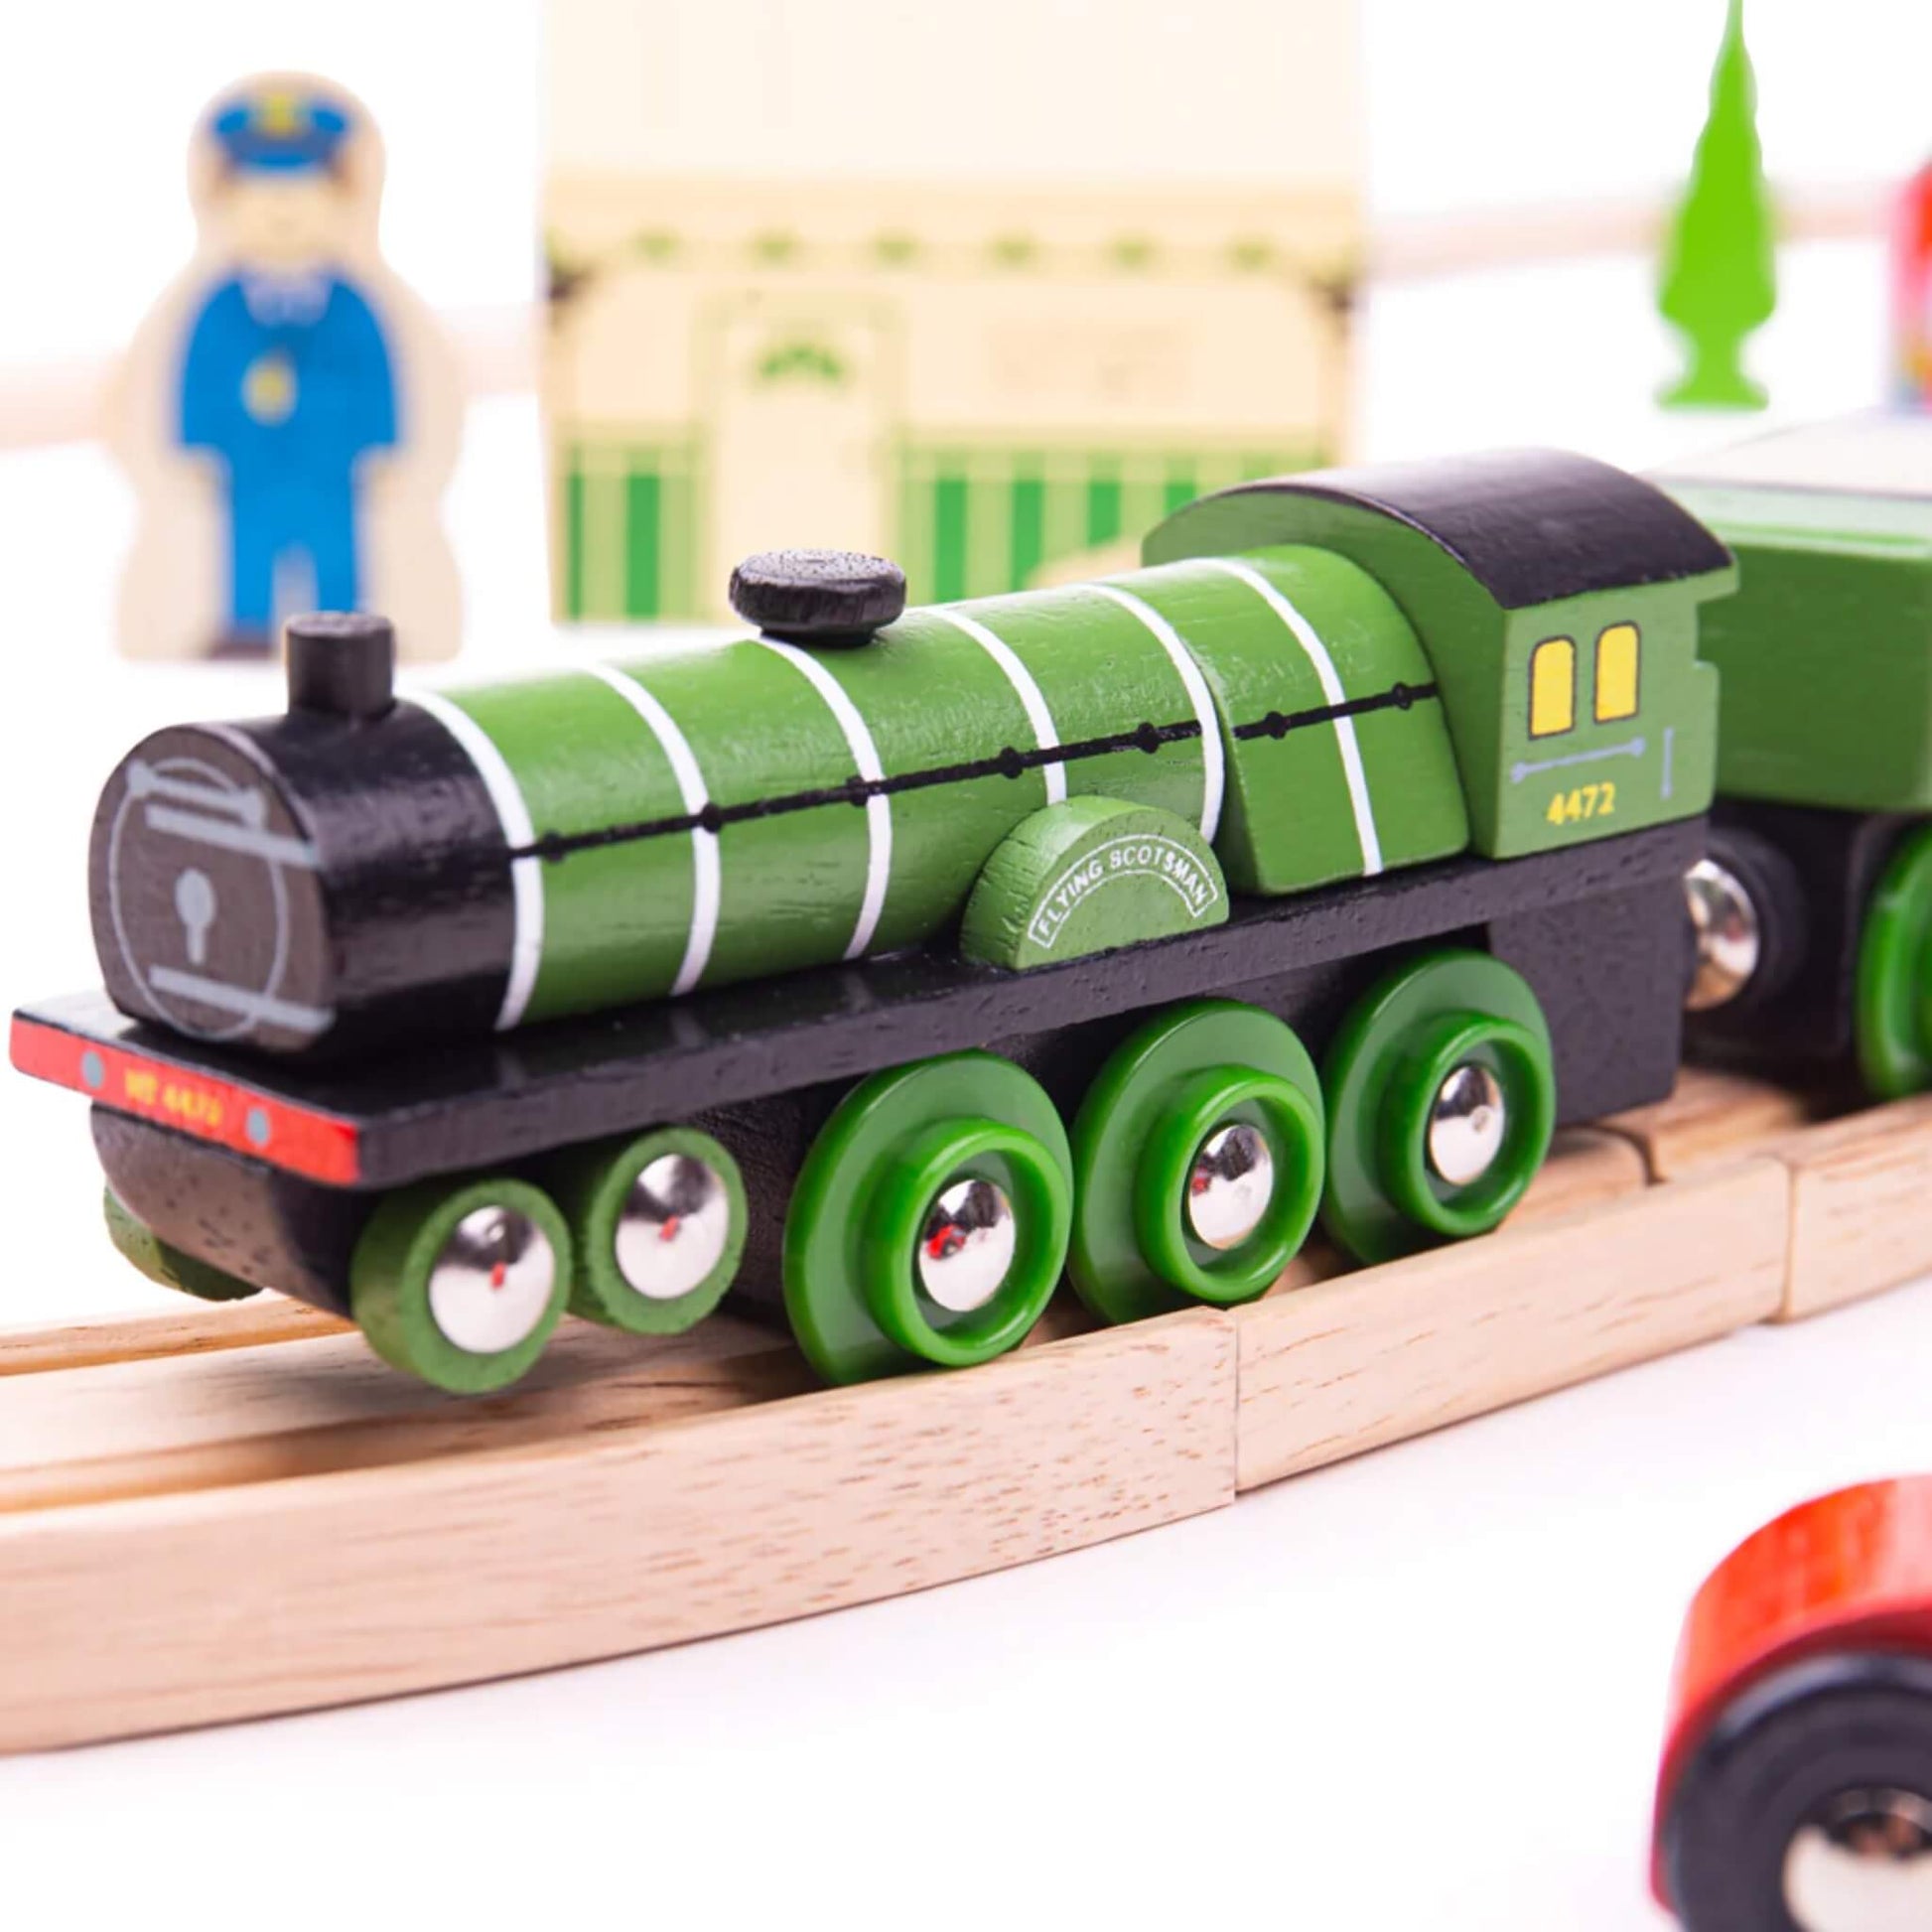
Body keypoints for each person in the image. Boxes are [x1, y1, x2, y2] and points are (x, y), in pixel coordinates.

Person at [176, 85, 398, 652]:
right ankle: (245, 627)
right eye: (260, 191)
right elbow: (199, 376)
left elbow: (377, 375)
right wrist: (197, 437)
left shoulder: (351, 306)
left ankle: (348, 633)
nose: (281, 208)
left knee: (335, 549)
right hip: (251, 466)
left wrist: (381, 437)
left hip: (328, 464)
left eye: (302, 190)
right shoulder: (219, 309)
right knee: (250, 547)